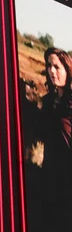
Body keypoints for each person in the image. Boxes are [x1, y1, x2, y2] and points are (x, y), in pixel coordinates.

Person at [40, 47, 72, 201]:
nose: (52, 71)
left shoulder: (70, 104)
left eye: (57, 67)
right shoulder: (47, 102)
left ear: (67, 70)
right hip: (48, 173)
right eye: (48, 65)